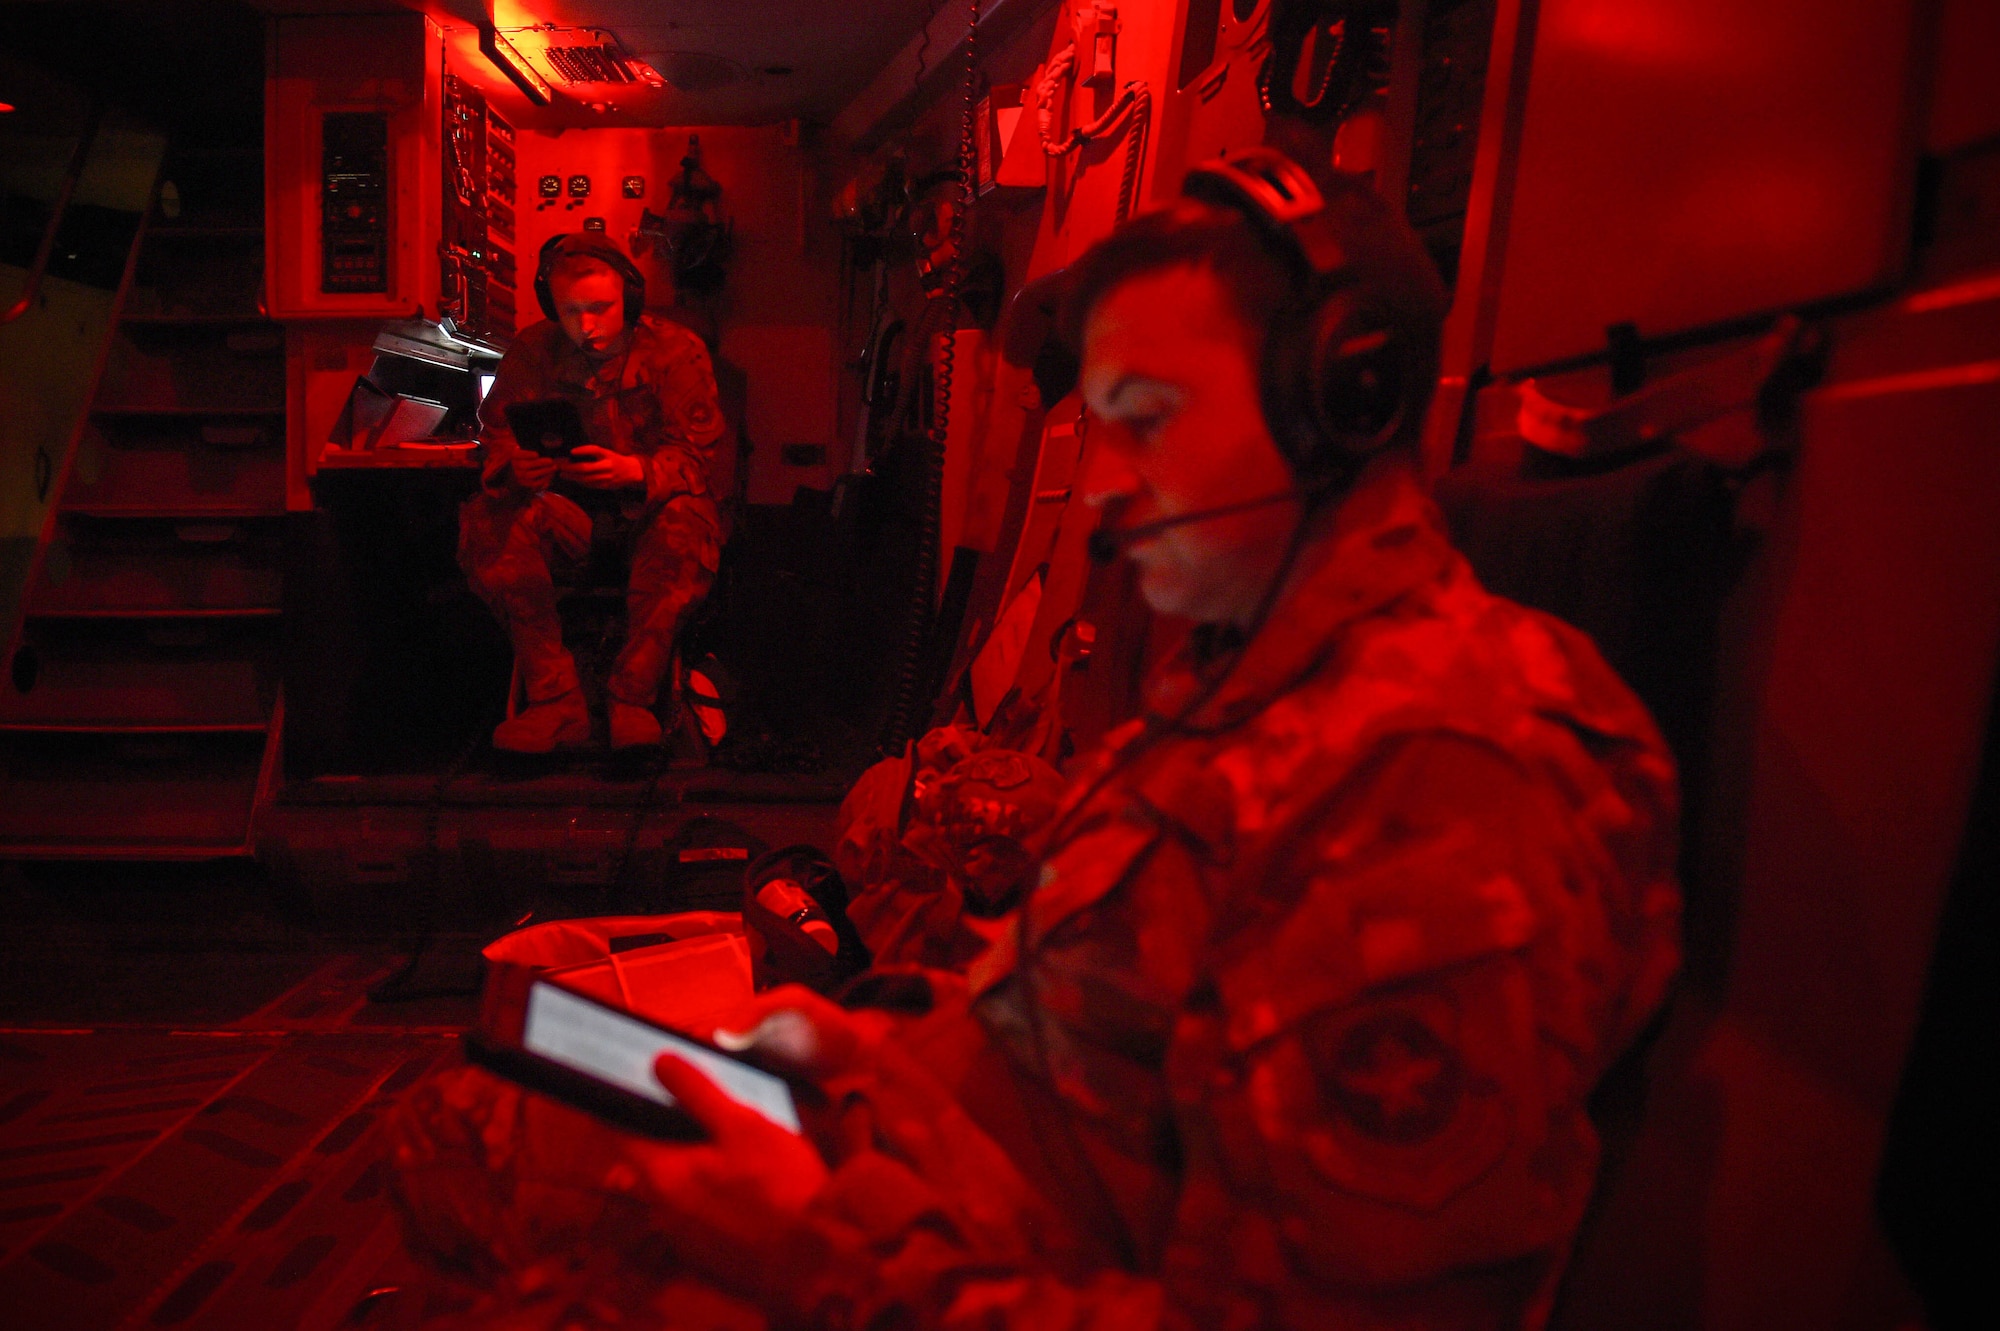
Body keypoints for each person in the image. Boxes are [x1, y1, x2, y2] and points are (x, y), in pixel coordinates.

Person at [397, 150, 1681, 1329]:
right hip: (959, 1163)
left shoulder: (1439, 780)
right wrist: (879, 1047)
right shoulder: (1243, 677)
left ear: (1337, 404)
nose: (1109, 482)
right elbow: (1108, 1007)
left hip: (962, 1263)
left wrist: (823, 1248)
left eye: (1152, 417)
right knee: (481, 1115)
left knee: (509, 1208)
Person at [459, 233, 727, 753]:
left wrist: (635, 470)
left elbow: (701, 461)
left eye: (601, 309)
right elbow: (493, 439)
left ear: (627, 298)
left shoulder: (676, 351)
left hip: (650, 515)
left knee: (687, 524)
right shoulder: (535, 352)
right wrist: (516, 467)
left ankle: (632, 698)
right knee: (486, 520)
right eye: (571, 311)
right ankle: (555, 702)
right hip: (567, 518)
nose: (587, 327)